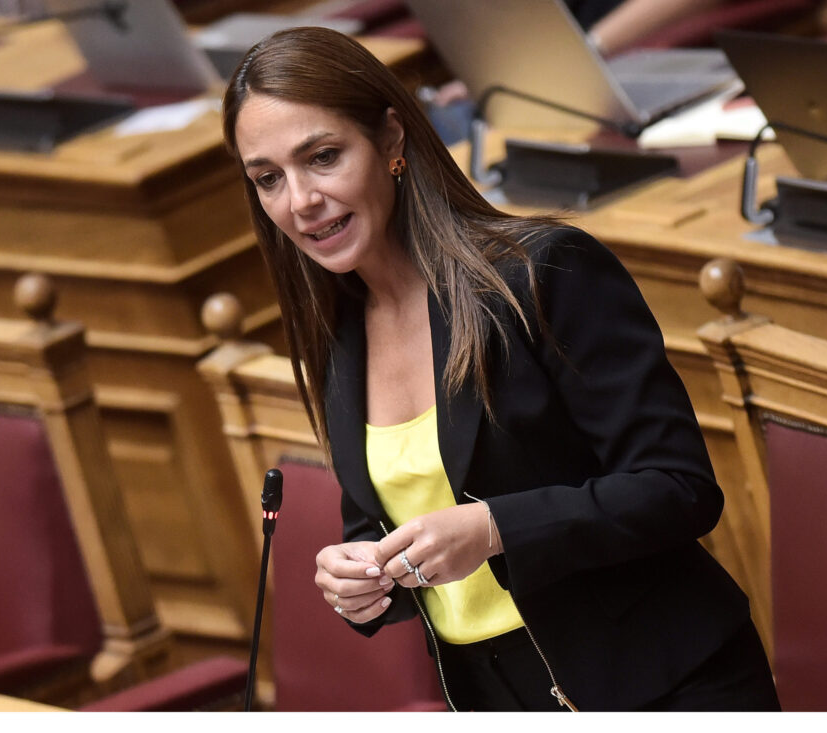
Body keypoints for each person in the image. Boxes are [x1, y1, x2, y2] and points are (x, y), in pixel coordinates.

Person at [221, 26, 780, 712]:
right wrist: (360, 577)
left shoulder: (542, 273)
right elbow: (382, 519)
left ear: (391, 139)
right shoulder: (337, 334)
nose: (300, 200)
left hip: (660, 686)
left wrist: (494, 528)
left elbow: (679, 488)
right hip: (495, 696)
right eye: (268, 178)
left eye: (324, 157)